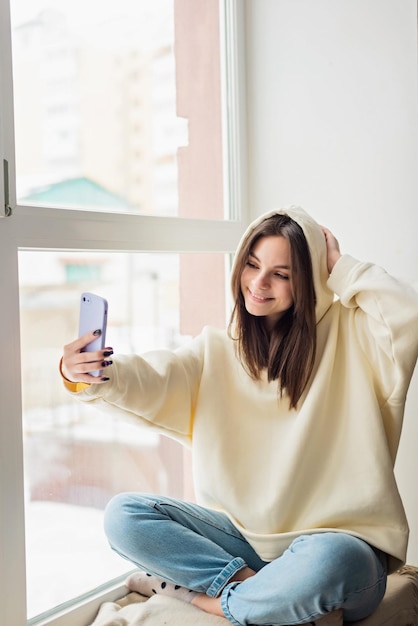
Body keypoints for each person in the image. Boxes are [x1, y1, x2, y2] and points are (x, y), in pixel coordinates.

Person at [60, 206, 418, 626]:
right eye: (252, 264)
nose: (259, 283)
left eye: (281, 274)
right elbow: (153, 379)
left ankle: (217, 602)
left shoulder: (355, 334)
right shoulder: (217, 349)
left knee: (332, 559)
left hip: (338, 547)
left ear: (310, 280)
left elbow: (405, 316)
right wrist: (87, 375)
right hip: (242, 545)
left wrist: (338, 264)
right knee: (124, 515)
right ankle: (261, 592)